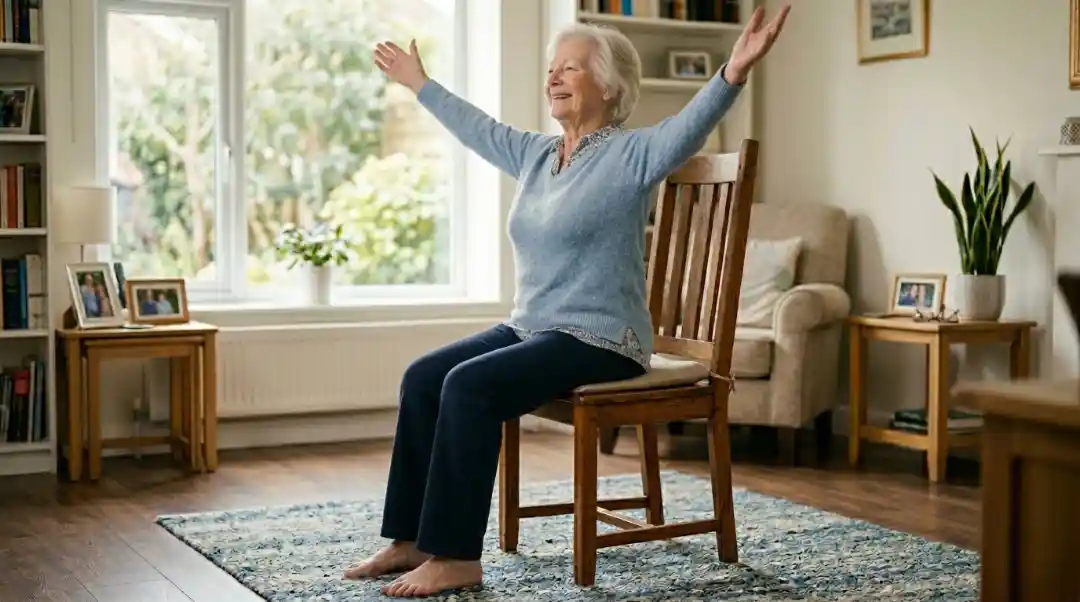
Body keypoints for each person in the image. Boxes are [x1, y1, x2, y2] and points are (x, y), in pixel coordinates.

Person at [346, 6, 790, 597]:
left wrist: (733, 70)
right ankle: (411, 541)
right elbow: (475, 126)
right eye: (552, 68)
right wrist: (419, 83)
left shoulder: (635, 155)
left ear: (608, 87)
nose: (553, 77)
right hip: (533, 328)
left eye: (570, 69)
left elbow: (692, 124)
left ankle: (456, 556)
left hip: (603, 338)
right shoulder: (535, 155)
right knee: (425, 376)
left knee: (468, 387)